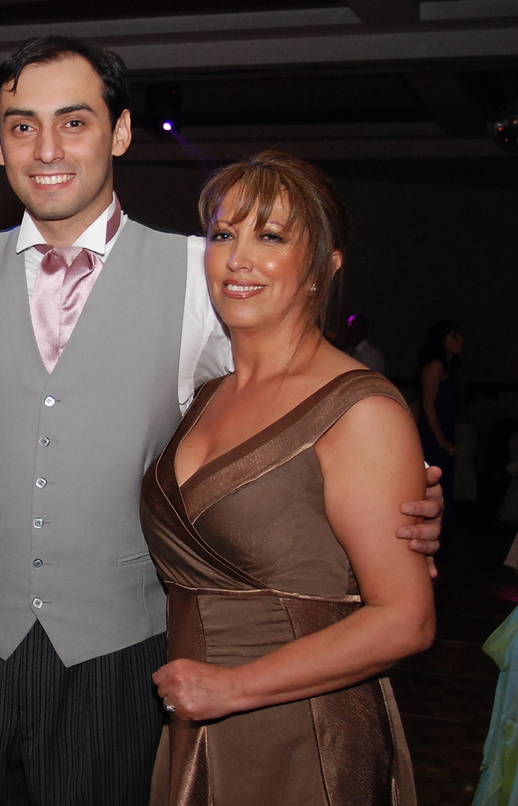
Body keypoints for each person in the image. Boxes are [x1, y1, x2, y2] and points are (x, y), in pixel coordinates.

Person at [0, 35, 445, 805]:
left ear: (120, 132)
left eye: (74, 122)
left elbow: (298, 408)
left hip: (118, 651)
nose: (47, 149)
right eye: (22, 125)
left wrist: (403, 498)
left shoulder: (204, 275)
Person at [142, 151, 433, 805]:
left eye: (270, 237)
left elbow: (406, 620)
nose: (238, 258)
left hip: (304, 735)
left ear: (323, 266)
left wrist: (233, 687)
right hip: (197, 717)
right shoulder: (207, 395)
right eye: (224, 234)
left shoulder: (362, 410)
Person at [417, 320, 463, 504]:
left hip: (443, 432)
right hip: (434, 436)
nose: (461, 339)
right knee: (438, 488)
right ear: (442, 340)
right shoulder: (435, 365)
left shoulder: (446, 369)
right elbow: (428, 405)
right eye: (454, 335)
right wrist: (442, 441)